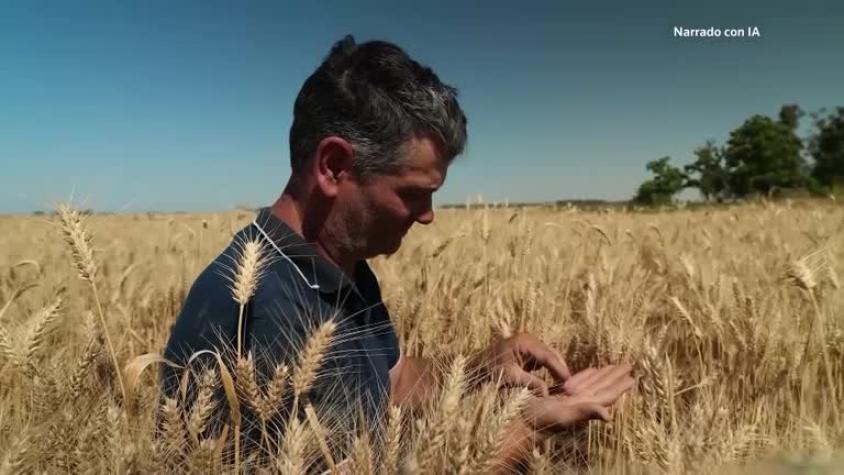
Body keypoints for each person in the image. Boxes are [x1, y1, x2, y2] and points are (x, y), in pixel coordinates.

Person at [160, 35, 634, 472]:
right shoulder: (266, 306)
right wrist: (525, 428)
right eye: (412, 193)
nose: (427, 216)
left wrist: (477, 371)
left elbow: (391, 380)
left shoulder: (341, 263)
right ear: (334, 166)